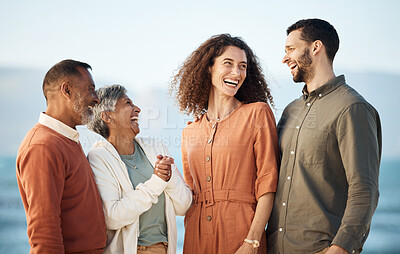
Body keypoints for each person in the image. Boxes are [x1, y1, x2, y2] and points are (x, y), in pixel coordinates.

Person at [266, 18, 382, 254]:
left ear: (316, 47)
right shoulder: (291, 111)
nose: (284, 58)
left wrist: (340, 248)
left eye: (291, 49)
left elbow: (364, 189)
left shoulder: (352, 108)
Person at [170, 34, 280, 254]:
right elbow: (189, 195)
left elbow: (268, 183)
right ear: (209, 68)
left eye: (242, 66)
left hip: (242, 232)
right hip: (196, 235)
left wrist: (252, 241)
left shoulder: (257, 114)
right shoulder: (189, 131)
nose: (236, 73)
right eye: (228, 64)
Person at [86, 84, 192, 254]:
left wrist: (168, 178)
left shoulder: (156, 147)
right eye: (128, 103)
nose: (138, 109)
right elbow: (112, 217)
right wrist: (157, 182)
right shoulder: (99, 157)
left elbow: (183, 206)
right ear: (107, 116)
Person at [16, 59, 107, 253]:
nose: (96, 98)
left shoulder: (66, 139)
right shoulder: (43, 146)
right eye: (90, 89)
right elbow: (44, 233)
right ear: (67, 91)